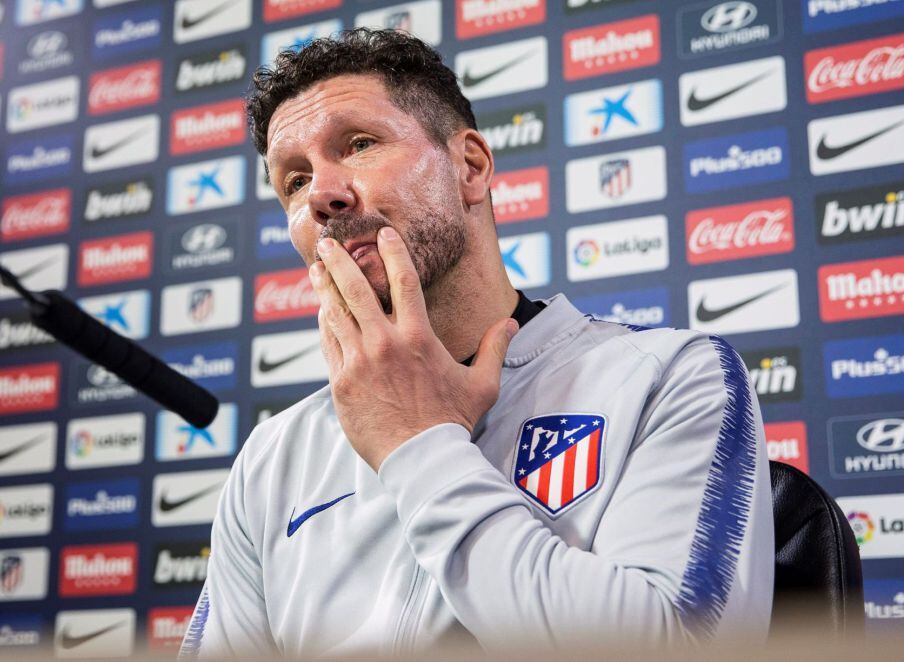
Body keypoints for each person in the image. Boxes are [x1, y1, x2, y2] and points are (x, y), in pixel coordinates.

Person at [180, 28, 773, 657]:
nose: (323, 196)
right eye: (293, 182)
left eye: (358, 144)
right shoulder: (274, 455)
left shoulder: (668, 377)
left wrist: (418, 444)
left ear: (471, 167)